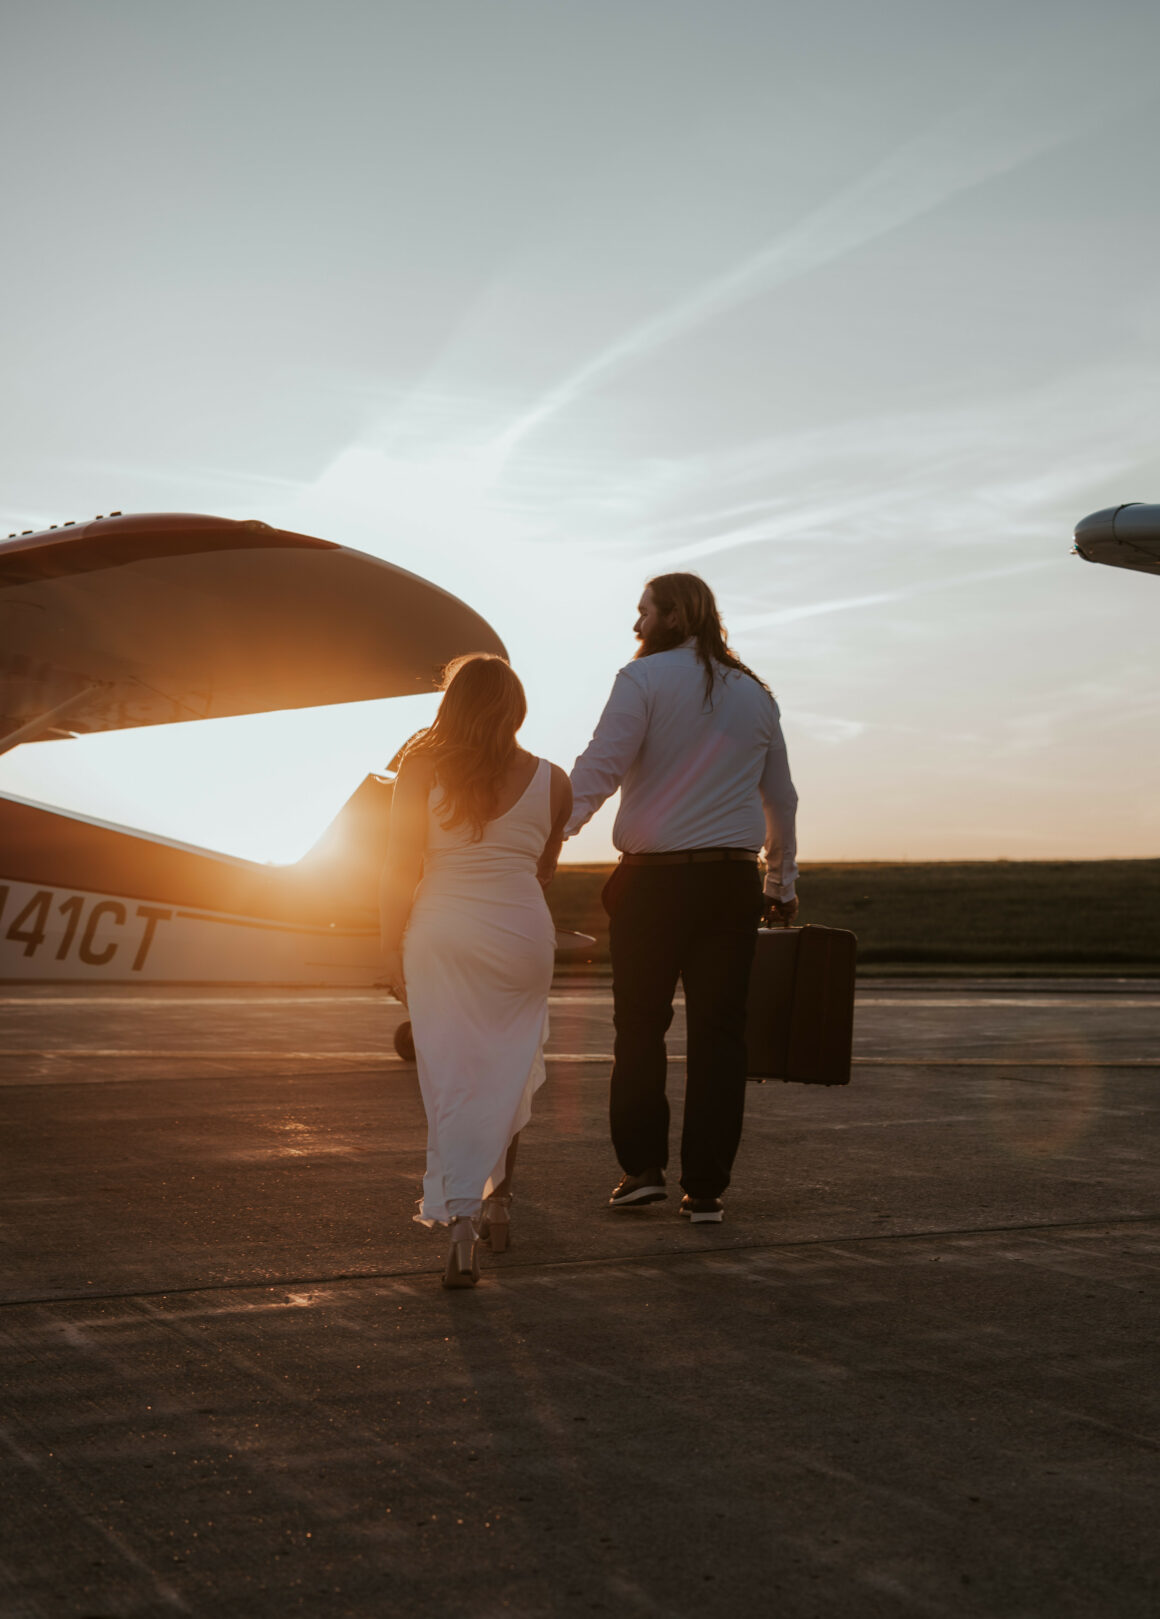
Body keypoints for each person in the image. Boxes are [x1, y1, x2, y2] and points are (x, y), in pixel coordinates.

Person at [564, 573, 798, 1224]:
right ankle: (706, 1189)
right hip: (730, 884)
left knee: (639, 1028)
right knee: (721, 1038)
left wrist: (545, 841)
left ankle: (641, 1170)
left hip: (653, 883)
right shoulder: (756, 693)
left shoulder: (639, 681)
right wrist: (781, 882)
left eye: (644, 612)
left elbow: (598, 770)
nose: (635, 625)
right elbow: (780, 797)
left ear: (672, 615)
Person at [379, 655, 572, 1288]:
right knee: (507, 1069)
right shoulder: (555, 780)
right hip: (521, 932)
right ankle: (499, 1204)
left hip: (442, 931)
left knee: (453, 1076)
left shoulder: (420, 770)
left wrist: (389, 948)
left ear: (451, 706)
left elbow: (398, 866)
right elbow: (543, 867)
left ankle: (459, 1225)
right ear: (516, 708)